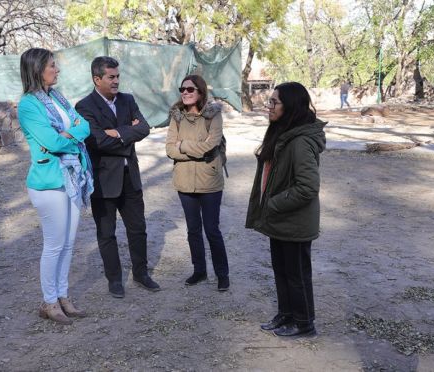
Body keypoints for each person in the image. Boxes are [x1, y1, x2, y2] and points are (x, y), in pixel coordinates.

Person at [17, 48, 93, 324]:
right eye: (52, 65)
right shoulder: (28, 105)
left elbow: (84, 125)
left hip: (71, 176)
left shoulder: (57, 97)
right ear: (38, 70)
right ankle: (49, 302)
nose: (57, 69)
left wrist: (69, 132)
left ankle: (63, 296)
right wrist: (70, 136)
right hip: (48, 183)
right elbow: (53, 143)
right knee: (54, 244)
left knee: (69, 243)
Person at [75, 56, 160, 298]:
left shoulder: (128, 100)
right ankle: (114, 279)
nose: (116, 81)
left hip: (129, 176)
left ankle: (141, 274)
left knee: (138, 228)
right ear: (97, 79)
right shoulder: (84, 107)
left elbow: (144, 128)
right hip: (104, 182)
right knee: (106, 233)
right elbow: (96, 140)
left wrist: (117, 134)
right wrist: (127, 134)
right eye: (111, 77)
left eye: (118, 77)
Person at [245, 82, 326, 337]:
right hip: (279, 219)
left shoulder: (300, 141)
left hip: (294, 220)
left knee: (296, 275)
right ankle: (286, 315)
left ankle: (304, 323)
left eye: (274, 102)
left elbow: (308, 187)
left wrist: (273, 203)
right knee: (282, 271)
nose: (268, 106)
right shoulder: (282, 132)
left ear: (289, 106)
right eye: (270, 101)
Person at [165, 75, 230, 291]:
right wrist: (191, 148)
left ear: (200, 92)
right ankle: (199, 271)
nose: (185, 92)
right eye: (182, 89)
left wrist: (183, 145)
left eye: (190, 89)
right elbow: (169, 149)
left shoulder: (213, 114)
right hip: (184, 182)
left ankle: (222, 274)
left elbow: (211, 146)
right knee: (193, 230)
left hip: (209, 180)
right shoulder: (176, 116)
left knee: (212, 229)